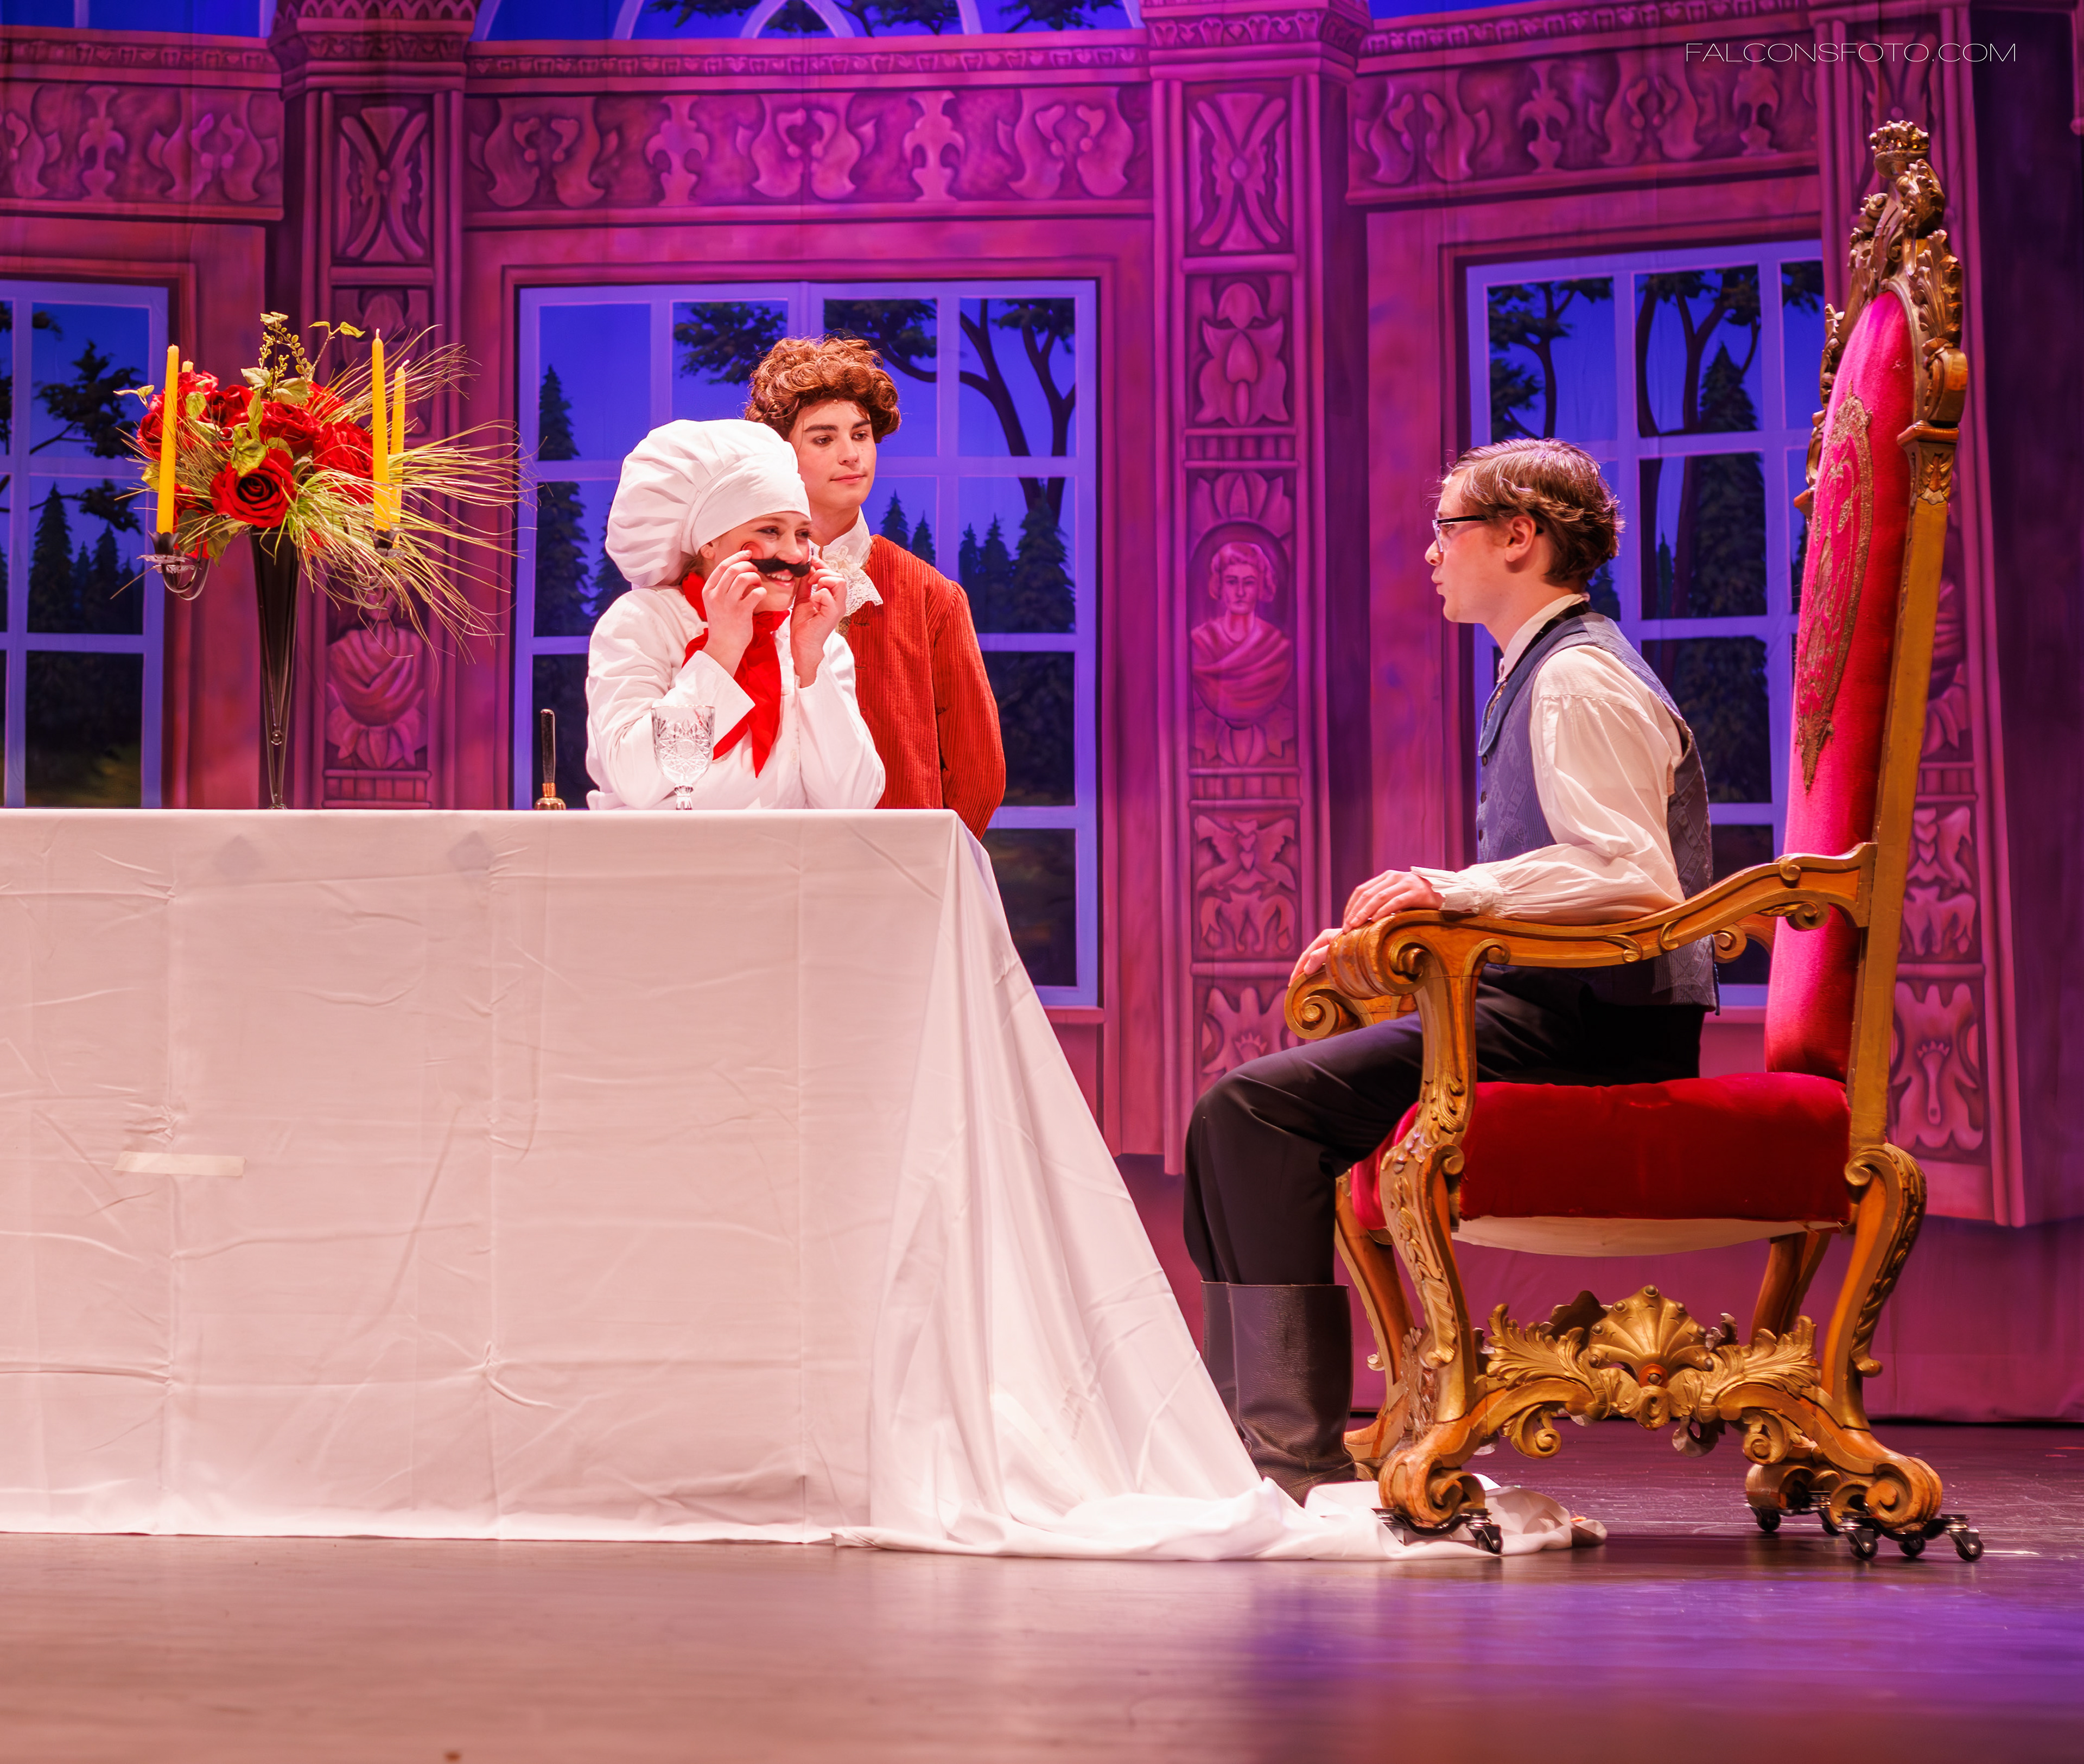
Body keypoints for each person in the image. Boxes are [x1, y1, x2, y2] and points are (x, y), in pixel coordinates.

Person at [1183, 438, 1716, 1498]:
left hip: (1593, 1028)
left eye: (1448, 529)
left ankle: (1285, 1458)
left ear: (1520, 537)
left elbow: (1635, 880)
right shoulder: (1543, 670)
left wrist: (1451, 890)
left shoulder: (1577, 678)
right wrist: (1405, 924)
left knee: (1252, 1114)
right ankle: (1253, 1444)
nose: (1432, 554)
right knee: (1233, 1117)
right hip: (1542, 1008)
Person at [745, 336, 1005, 837]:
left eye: (861, 435)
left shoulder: (932, 595)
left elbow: (979, 774)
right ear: (781, 455)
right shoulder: (745, 583)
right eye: (824, 439)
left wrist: (926, 865)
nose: (851, 455)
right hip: (769, 860)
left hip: (898, 868)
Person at [585, 418, 884, 812]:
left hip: (786, 854)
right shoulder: (644, 622)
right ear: (709, 542)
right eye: (770, 531)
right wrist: (722, 650)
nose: (794, 554)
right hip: (663, 853)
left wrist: (811, 662)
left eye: (802, 534)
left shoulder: (817, 642)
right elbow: (635, 781)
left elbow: (852, 802)